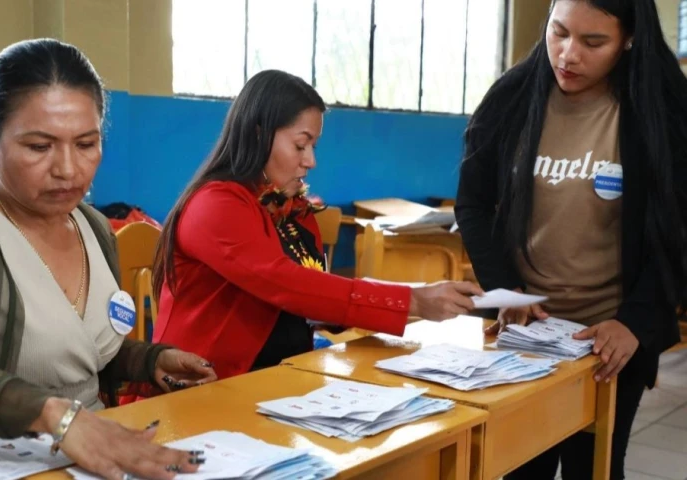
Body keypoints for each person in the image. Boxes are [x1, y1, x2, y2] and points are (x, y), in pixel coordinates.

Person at [0, 39, 217, 480]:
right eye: (40, 147)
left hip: (89, 461)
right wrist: (53, 415)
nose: (68, 169)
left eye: (86, 144)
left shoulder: (94, 227)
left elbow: (76, 351)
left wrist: (148, 361)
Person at [455, 1, 686, 478]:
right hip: (528, 335)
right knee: (522, 467)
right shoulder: (512, 98)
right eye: (558, 32)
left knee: (594, 469)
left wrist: (636, 321)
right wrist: (506, 289)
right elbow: (473, 204)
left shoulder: (663, 110)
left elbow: (679, 229)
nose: (568, 54)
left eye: (593, 42)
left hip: (610, 339)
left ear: (629, 40)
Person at [151, 69, 484, 381]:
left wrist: (421, 296)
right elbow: (286, 284)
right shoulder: (215, 205)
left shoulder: (293, 210)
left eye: (313, 146)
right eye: (300, 145)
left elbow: (313, 295)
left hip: (278, 380)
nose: (311, 160)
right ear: (258, 135)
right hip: (203, 388)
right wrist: (412, 300)